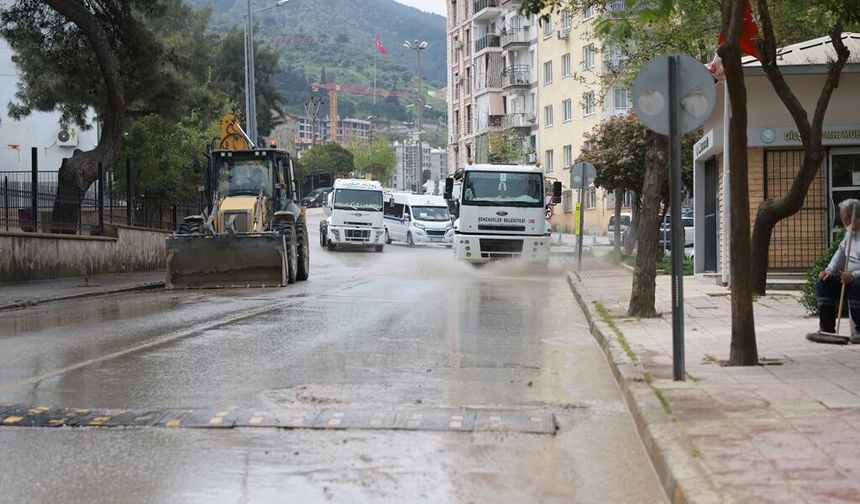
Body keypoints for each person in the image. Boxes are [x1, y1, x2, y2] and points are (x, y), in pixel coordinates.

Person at [815, 198, 860, 342]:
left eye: (842, 217)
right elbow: (840, 253)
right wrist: (829, 270)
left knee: (857, 285)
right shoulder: (849, 233)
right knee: (824, 283)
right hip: (849, 278)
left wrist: (854, 275)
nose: (841, 220)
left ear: (848, 217)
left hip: (857, 280)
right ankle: (826, 328)